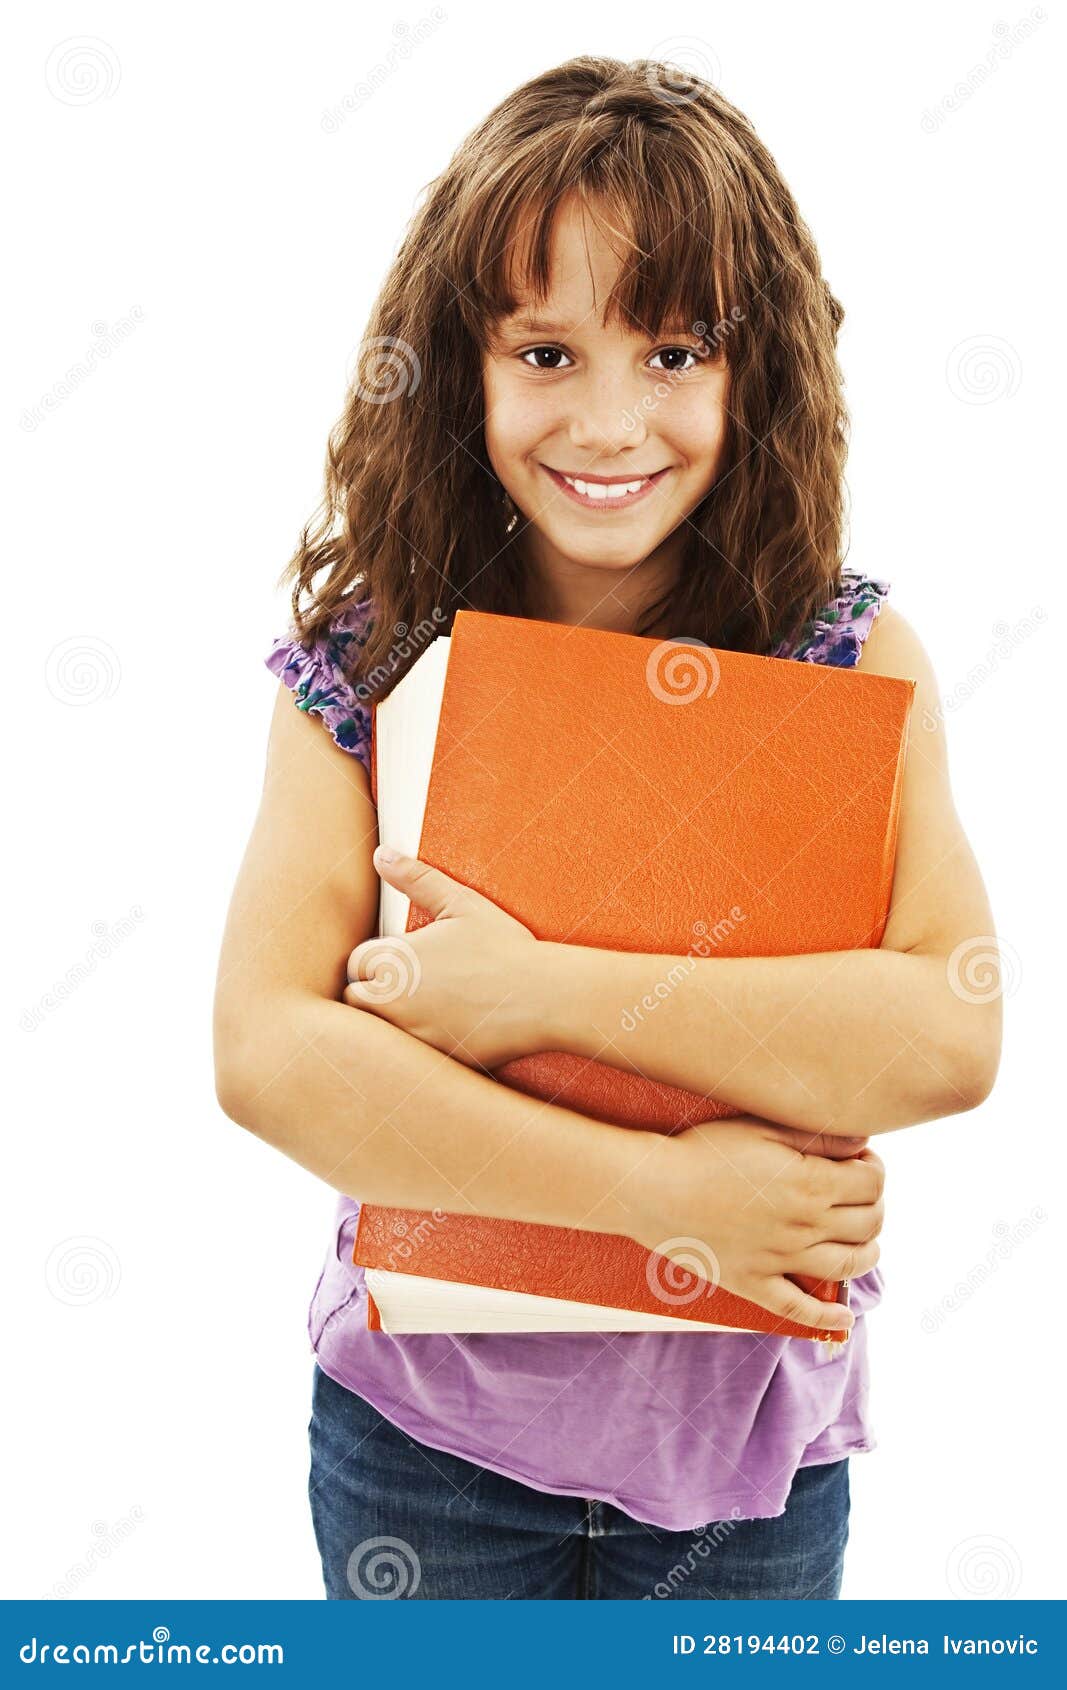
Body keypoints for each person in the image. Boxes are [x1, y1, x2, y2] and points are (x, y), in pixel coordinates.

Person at [213, 56, 1002, 1601]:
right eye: (547, 351)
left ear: (752, 371)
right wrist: (671, 1197)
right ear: (465, 366)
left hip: (751, 1475)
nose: (610, 418)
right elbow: (266, 1049)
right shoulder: (372, 665)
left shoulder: (844, 654)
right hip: (425, 1449)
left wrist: (539, 988)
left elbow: (944, 1028)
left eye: (675, 350)